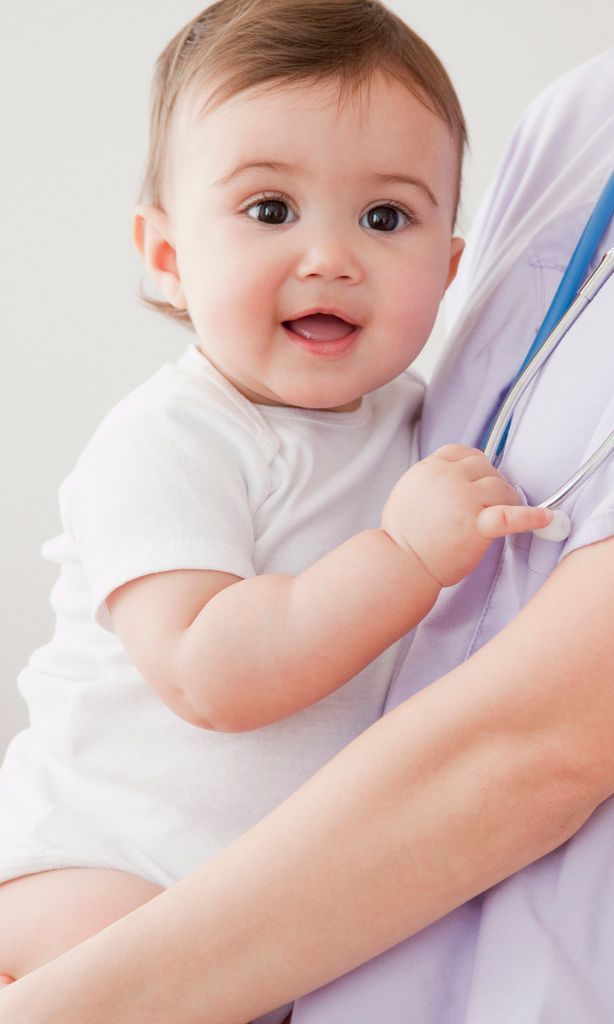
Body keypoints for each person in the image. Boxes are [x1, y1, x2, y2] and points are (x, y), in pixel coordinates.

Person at [0, 2, 546, 1020]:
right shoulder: (170, 440)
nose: (329, 256)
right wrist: (400, 555)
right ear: (162, 253)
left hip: (253, 901)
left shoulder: (424, 425)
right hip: (90, 860)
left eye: (385, 218)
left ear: (450, 268)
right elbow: (211, 671)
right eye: (268, 210)